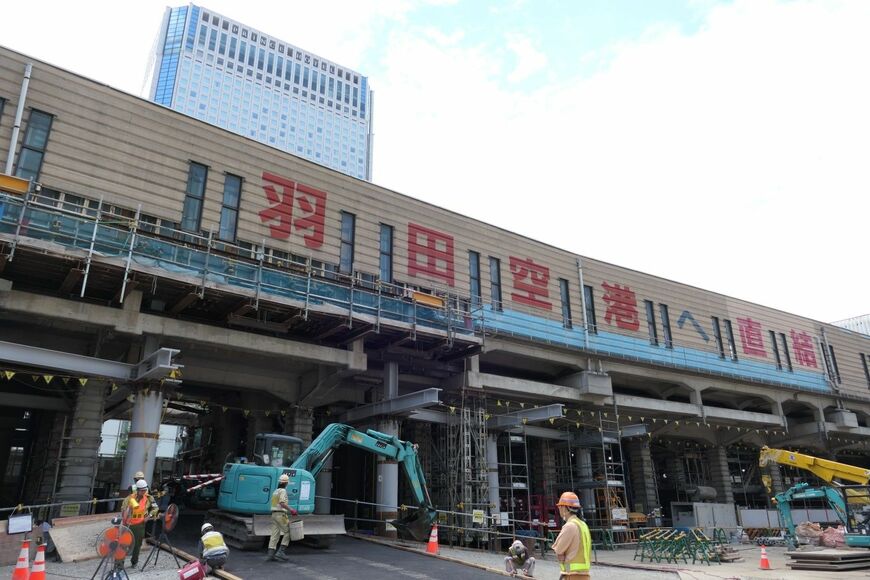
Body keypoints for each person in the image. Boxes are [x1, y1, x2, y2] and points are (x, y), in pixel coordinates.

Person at [551, 491, 592, 579]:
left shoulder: (570, 526)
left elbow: (558, 549)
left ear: (564, 508)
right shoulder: (583, 524)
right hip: (585, 574)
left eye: (560, 507)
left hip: (573, 575)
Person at [123, 479, 158, 568]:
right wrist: (124, 519)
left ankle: (134, 562)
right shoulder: (130, 498)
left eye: (145, 490)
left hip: (140, 525)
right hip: (128, 524)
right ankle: (119, 564)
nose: (144, 492)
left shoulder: (149, 498)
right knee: (123, 544)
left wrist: (149, 515)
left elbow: (155, 508)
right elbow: (123, 508)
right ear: (137, 490)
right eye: (142, 490)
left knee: (137, 545)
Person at [267, 473, 297, 562]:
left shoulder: (275, 491)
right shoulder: (283, 491)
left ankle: (270, 554)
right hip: (281, 515)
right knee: (288, 531)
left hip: (274, 515)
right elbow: (282, 503)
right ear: (286, 483)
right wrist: (291, 510)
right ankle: (281, 552)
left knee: (274, 534)